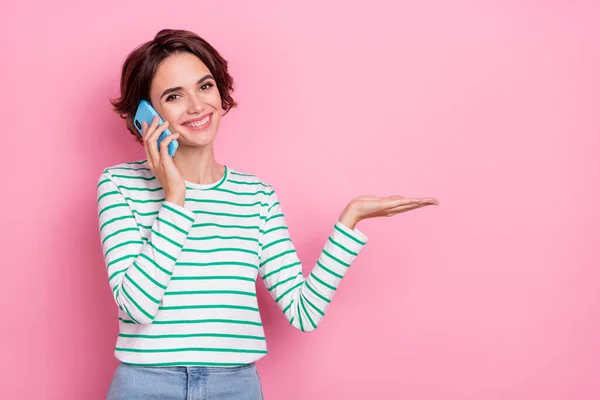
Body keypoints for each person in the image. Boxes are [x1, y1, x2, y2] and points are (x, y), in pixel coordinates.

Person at [97, 28, 439, 399]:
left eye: (205, 86)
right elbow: (139, 307)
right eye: (174, 96)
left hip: (236, 386)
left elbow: (303, 312)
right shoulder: (119, 186)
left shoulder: (256, 197)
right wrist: (175, 198)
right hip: (146, 385)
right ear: (145, 116)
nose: (196, 106)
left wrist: (350, 220)